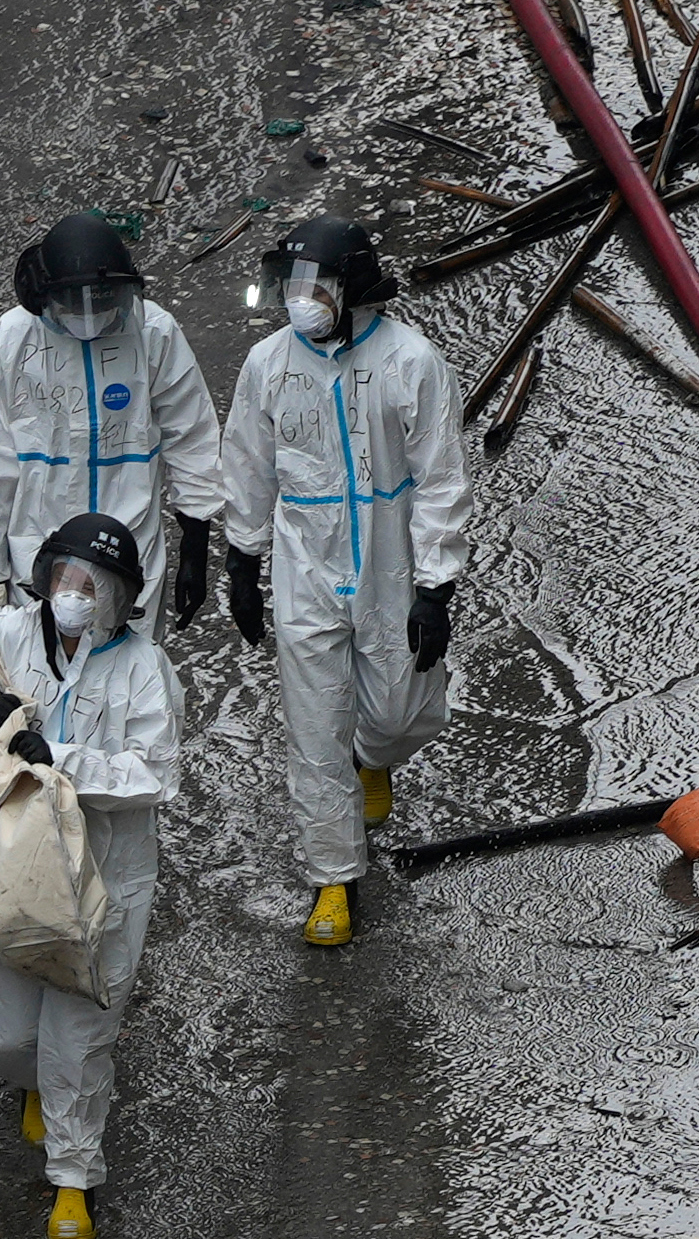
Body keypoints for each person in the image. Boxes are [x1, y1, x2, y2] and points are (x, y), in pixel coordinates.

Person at [0, 513, 180, 1239]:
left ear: (118, 597)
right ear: (45, 578)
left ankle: (72, 1177)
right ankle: (40, 1087)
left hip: (105, 879)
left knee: (78, 1039)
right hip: (13, 864)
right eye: (67, 579)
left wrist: (59, 756)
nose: (76, 596)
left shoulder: (143, 668)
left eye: (93, 586)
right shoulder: (8, 634)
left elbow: (153, 775)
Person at [220, 214, 470, 946]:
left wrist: (435, 585)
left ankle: (374, 756)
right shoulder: (268, 365)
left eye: (316, 288)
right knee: (312, 728)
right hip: (304, 563)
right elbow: (247, 461)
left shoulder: (409, 362)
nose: (302, 303)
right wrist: (241, 557)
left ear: (352, 290)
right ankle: (333, 878)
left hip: (388, 564)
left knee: (400, 711)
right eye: (292, 288)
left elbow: (441, 479)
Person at [0, 211, 224, 626]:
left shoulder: (153, 331)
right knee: (38, 676)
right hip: (38, 547)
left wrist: (195, 547)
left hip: (131, 545)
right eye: (72, 303)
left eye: (101, 301)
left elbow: (190, 436)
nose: (87, 317)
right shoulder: (15, 336)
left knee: (130, 677)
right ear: (39, 295)